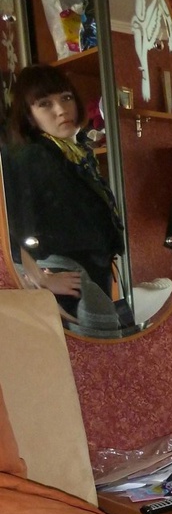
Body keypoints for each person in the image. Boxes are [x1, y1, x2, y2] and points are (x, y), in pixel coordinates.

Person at [4, 64, 125, 324]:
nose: (61, 110)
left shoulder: (71, 151)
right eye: (45, 104)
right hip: (68, 276)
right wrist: (39, 277)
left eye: (66, 97)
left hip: (90, 271)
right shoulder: (31, 156)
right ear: (28, 114)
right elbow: (10, 229)